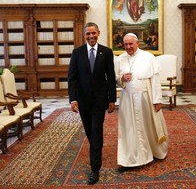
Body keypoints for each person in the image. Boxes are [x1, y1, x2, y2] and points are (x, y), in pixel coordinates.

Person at [68, 22, 116, 184]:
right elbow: (72, 78)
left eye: (93, 33)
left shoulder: (107, 53)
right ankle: (95, 150)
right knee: (90, 132)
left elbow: (110, 77)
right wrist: (73, 99)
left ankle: (95, 169)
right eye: (88, 34)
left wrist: (112, 99)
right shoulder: (77, 53)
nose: (91, 36)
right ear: (84, 35)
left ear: (99, 33)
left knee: (96, 131)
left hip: (99, 101)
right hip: (83, 101)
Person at [115, 33, 168, 172]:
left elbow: (155, 80)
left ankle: (155, 151)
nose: (128, 47)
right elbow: (116, 79)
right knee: (130, 129)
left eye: (130, 44)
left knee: (148, 126)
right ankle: (132, 159)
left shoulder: (148, 57)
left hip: (146, 98)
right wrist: (122, 78)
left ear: (137, 43)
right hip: (127, 99)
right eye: (125, 44)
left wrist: (157, 100)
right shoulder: (120, 59)